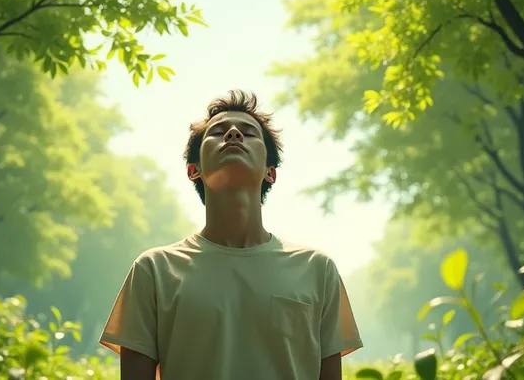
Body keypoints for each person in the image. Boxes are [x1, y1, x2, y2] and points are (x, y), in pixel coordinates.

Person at [99, 90, 363, 380]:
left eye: (249, 133)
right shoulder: (154, 271)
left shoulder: (317, 270)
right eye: (219, 132)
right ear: (193, 169)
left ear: (270, 172)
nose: (234, 134)